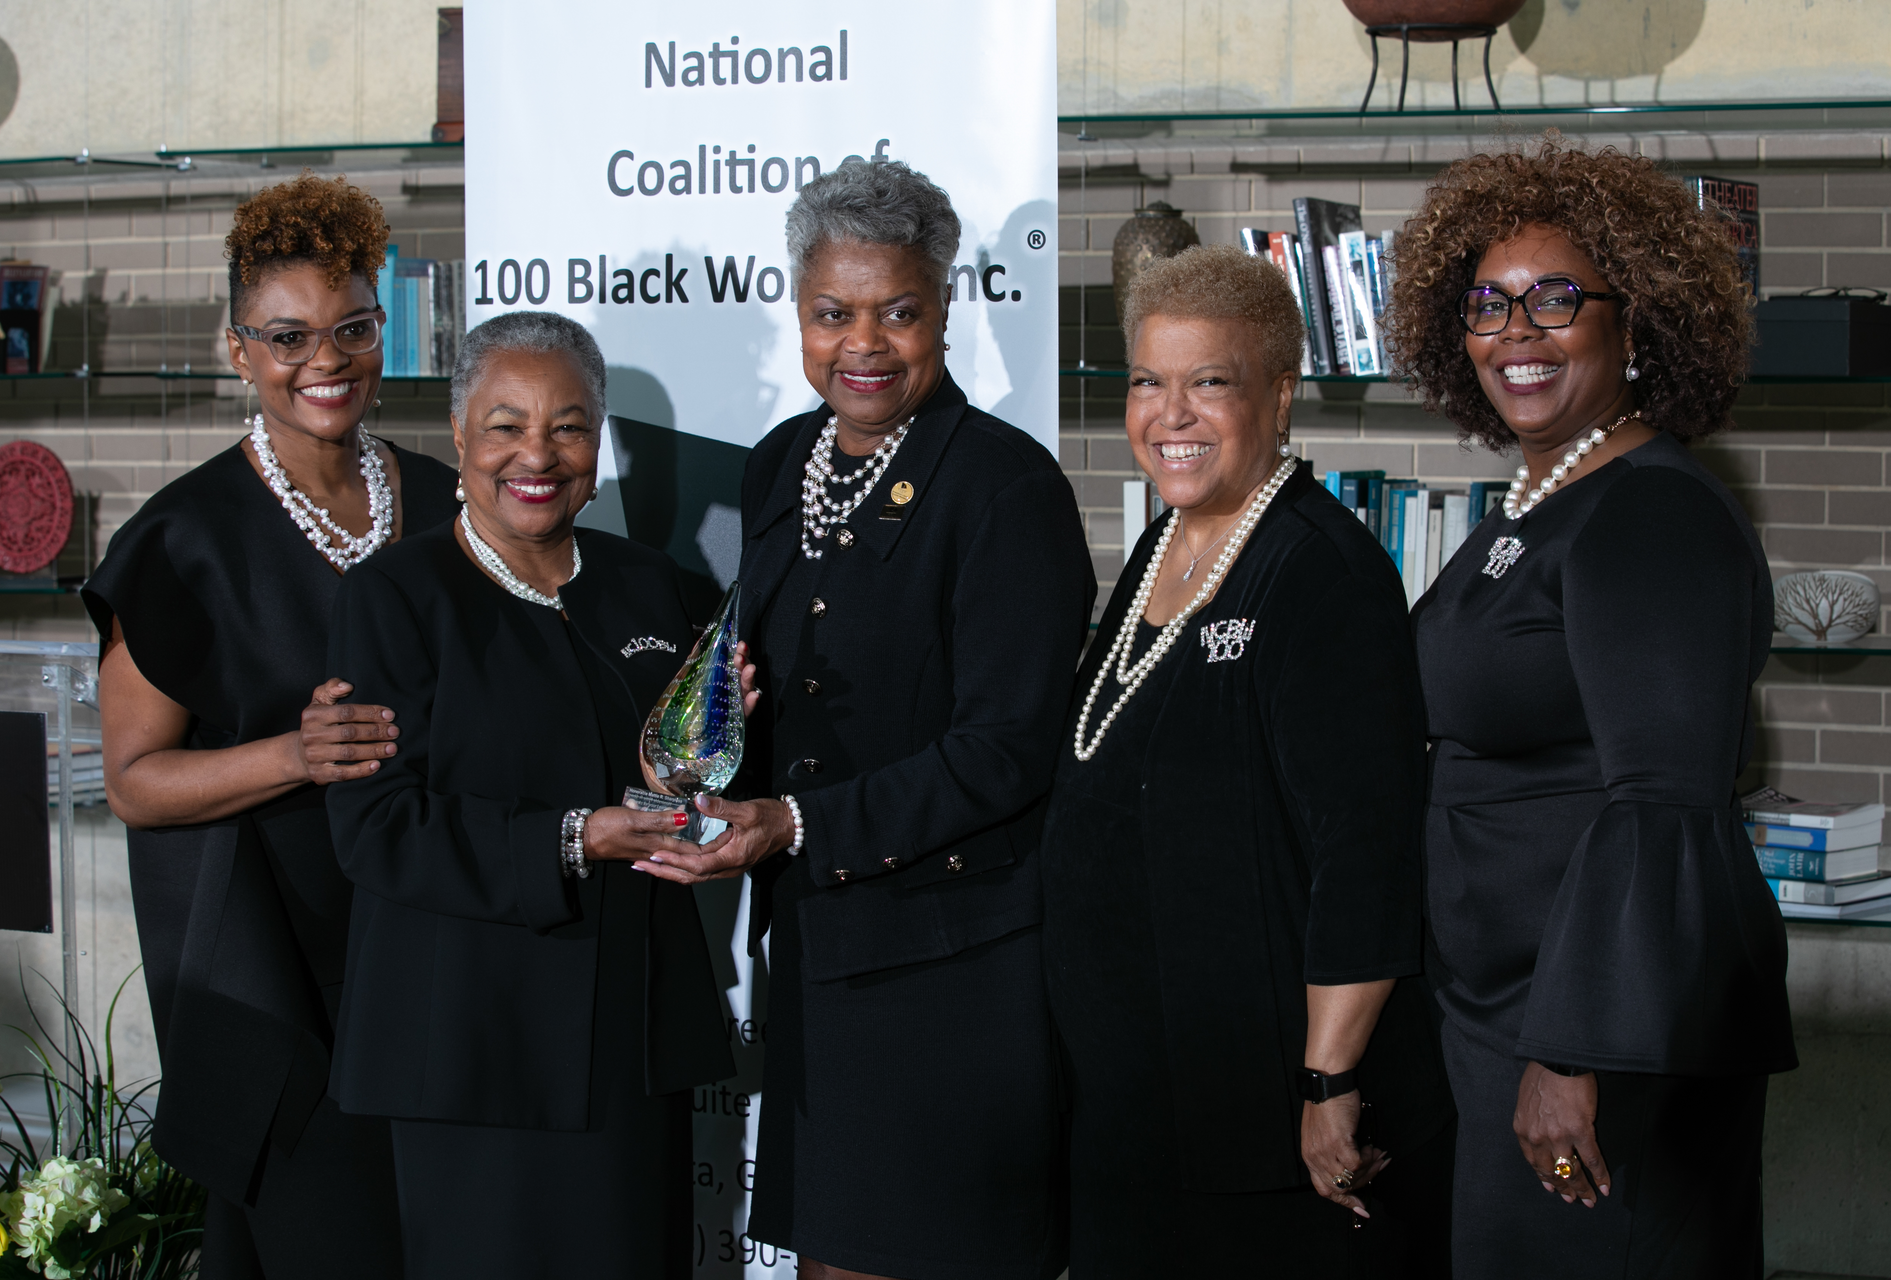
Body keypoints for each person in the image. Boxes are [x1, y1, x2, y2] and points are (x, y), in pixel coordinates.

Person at [636, 159, 1095, 1280]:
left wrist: (794, 822)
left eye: (899, 311)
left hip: (954, 962)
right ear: (798, 313)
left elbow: (1007, 749)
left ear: (944, 307)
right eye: (833, 313)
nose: (865, 344)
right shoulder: (779, 464)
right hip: (818, 951)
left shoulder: (1005, 486)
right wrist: (712, 741)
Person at [1387, 139, 1796, 1276]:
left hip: (1601, 1032)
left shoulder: (1650, 514)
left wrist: (1573, 1055)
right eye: (1487, 305)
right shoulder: (1541, 499)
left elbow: (1663, 802)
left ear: (1638, 322)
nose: (1515, 332)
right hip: (1504, 1012)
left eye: (1556, 299)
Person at [1040, 243, 1454, 1277]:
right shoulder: (1165, 546)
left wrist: (1328, 1081)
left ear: (1278, 394)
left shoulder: (1322, 573)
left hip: (1264, 1114)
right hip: (1135, 1098)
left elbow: (1364, 853)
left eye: (1210, 383)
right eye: (1148, 381)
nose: (1170, 414)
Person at [82, 172, 458, 1277]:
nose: (324, 360)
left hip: (438, 954)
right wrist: (294, 754)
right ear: (238, 349)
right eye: (288, 336)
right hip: (281, 981)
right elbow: (134, 780)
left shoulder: (450, 505)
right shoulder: (182, 541)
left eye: (351, 328)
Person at [322, 311, 738, 1280]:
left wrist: (709, 758)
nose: (537, 455)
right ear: (460, 435)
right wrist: (572, 838)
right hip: (472, 1049)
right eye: (505, 426)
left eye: (569, 426)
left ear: (600, 441)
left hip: (629, 1038)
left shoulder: (653, 586)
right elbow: (377, 827)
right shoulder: (394, 596)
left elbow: (680, 774)